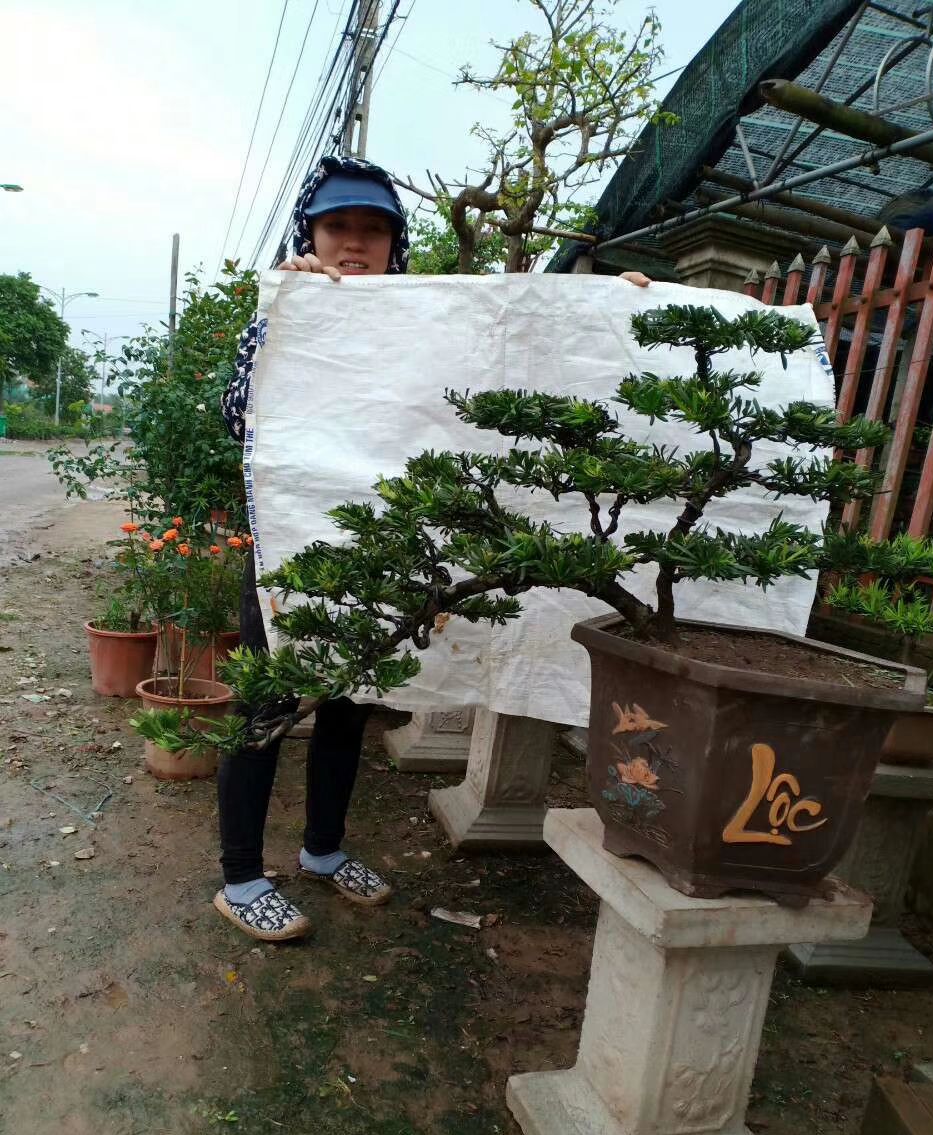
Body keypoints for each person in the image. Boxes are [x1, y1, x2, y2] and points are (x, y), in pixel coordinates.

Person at [214, 154, 649, 944]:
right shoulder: (287, 313)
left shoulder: (429, 324)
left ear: (394, 244)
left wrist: (614, 314)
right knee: (268, 705)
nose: (353, 244)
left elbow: (512, 352)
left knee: (348, 702)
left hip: (383, 552)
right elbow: (237, 416)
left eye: (372, 231)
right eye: (337, 226)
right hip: (293, 553)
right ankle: (241, 877)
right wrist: (291, 315)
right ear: (310, 231)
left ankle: (322, 850)